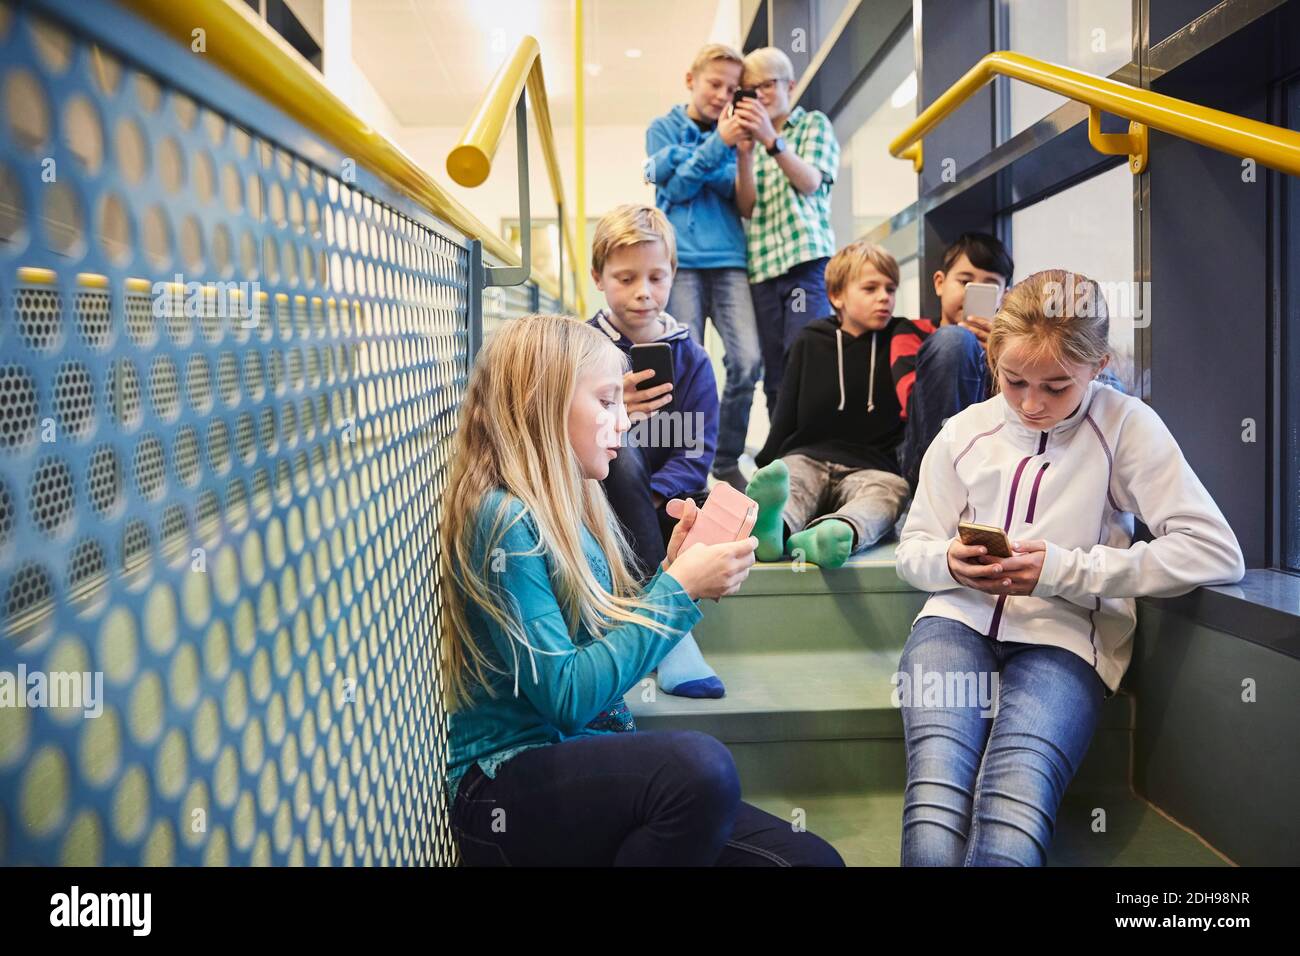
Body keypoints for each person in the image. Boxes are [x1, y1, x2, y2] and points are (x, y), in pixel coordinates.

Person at [439, 314, 843, 866]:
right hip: (503, 790)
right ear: (542, 404)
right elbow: (568, 696)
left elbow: (598, 641)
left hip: (579, 768)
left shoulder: (573, 502)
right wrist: (676, 590)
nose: (624, 423)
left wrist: (673, 573)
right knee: (701, 770)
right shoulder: (503, 518)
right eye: (606, 402)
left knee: (813, 861)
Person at [894, 270, 1245, 866]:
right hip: (954, 624)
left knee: (1011, 815)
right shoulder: (963, 433)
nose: (1032, 404)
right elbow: (912, 550)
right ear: (993, 358)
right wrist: (949, 562)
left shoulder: (1126, 426)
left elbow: (1214, 550)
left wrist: (1064, 570)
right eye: (1014, 381)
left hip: (1065, 643)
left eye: (1056, 386)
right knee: (933, 804)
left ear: (1099, 363)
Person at [588, 203, 727, 698]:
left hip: (661, 508)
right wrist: (609, 405)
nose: (643, 292)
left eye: (656, 276)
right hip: (595, 505)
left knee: (719, 501)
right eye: (625, 278)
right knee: (618, 449)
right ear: (598, 278)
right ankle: (668, 633)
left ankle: (655, 607)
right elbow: (561, 441)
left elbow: (696, 454)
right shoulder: (580, 350)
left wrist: (650, 499)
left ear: (673, 275)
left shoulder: (692, 360)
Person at [745, 241, 912, 569]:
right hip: (808, 455)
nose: (884, 297)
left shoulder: (902, 336)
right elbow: (786, 408)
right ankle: (773, 529)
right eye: (870, 288)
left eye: (890, 289)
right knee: (792, 484)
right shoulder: (809, 339)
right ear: (837, 296)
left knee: (888, 495)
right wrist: (767, 463)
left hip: (873, 467)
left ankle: (833, 533)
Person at [645, 43, 762, 491]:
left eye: (732, 88)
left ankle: (725, 455)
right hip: (683, 263)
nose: (722, 95)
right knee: (687, 363)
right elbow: (670, 191)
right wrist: (718, 148)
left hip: (731, 259)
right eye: (715, 83)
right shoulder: (662, 129)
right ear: (690, 80)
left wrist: (734, 155)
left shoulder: (735, 135)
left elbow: (743, 202)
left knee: (748, 361)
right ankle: (685, 462)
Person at [733, 46, 840, 417]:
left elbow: (811, 182)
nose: (759, 94)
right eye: (750, 89)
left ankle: (809, 447)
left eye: (766, 85)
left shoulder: (812, 125)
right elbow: (746, 207)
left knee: (805, 356)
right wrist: (745, 156)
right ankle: (780, 458)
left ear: (790, 85)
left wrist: (771, 141)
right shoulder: (747, 141)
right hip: (762, 269)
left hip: (805, 262)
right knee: (775, 370)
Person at [890, 232, 1015, 493]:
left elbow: (1021, 405)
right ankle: (945, 485)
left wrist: (999, 355)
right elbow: (914, 400)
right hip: (925, 455)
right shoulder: (911, 331)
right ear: (939, 283)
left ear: (1004, 295)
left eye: (989, 285)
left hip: (992, 455)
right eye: (965, 281)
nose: (972, 292)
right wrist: (959, 346)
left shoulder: (1010, 345)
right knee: (954, 341)